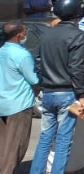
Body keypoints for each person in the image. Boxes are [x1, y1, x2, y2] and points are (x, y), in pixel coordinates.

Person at [29, 0, 84, 174]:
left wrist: (42, 85)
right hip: (67, 94)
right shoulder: (77, 35)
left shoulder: (46, 35)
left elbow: (38, 64)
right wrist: (81, 95)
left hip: (48, 93)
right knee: (63, 141)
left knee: (45, 138)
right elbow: (76, 68)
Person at [0, 20, 38, 174]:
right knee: (16, 147)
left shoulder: (2, 51)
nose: (26, 33)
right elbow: (33, 79)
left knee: (3, 145)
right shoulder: (22, 55)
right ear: (19, 34)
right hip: (19, 105)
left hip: (3, 103)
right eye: (25, 31)